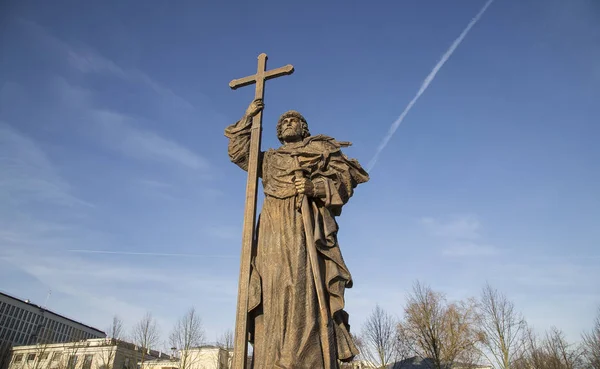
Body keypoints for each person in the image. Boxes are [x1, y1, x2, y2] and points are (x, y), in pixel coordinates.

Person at [225, 98, 369, 368]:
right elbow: (238, 153)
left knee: (300, 286)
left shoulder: (318, 151)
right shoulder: (269, 160)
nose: (288, 122)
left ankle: (300, 358)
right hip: (271, 227)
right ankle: (270, 357)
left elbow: (346, 179)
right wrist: (247, 119)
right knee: (271, 286)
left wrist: (314, 187)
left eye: (294, 120)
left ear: (304, 128)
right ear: (278, 132)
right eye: (283, 122)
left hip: (301, 225)